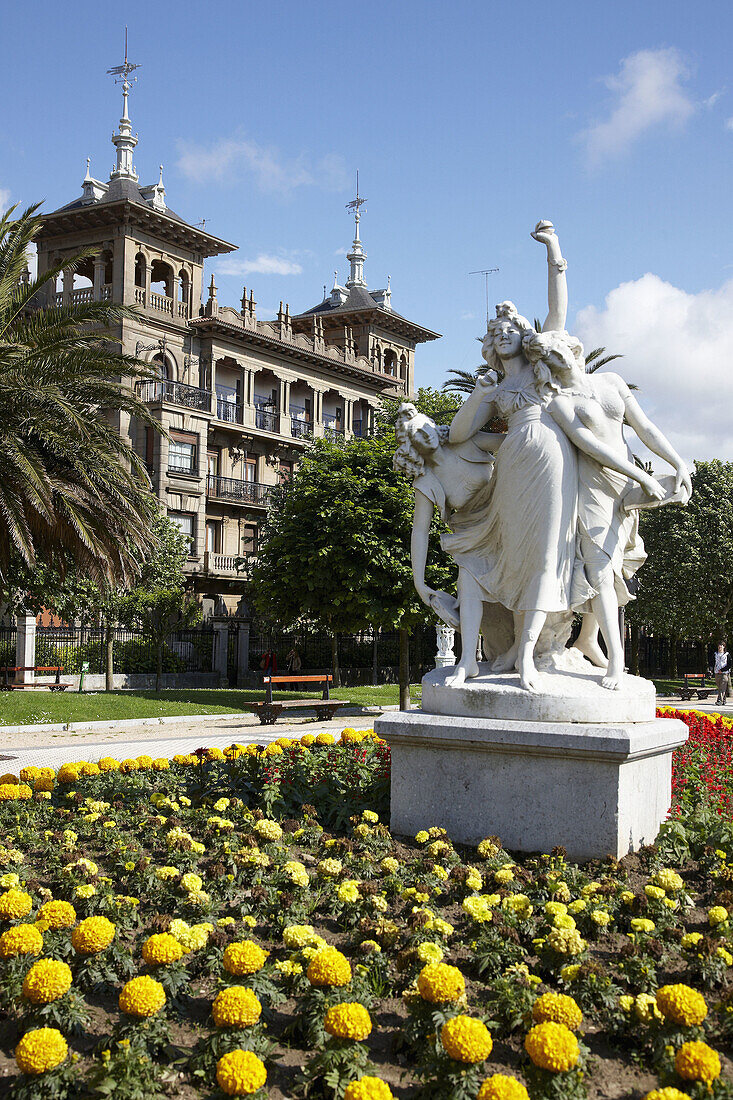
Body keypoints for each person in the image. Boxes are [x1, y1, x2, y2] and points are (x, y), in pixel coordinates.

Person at [524, 329, 691, 689]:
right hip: (595, 486)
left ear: (574, 348)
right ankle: (616, 658)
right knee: (601, 571)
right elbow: (589, 445)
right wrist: (639, 476)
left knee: (617, 565)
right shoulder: (557, 401)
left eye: (560, 350)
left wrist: (677, 462)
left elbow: (643, 426)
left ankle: (587, 639)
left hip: (628, 486)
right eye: (548, 357)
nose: (558, 358)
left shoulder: (610, 381)